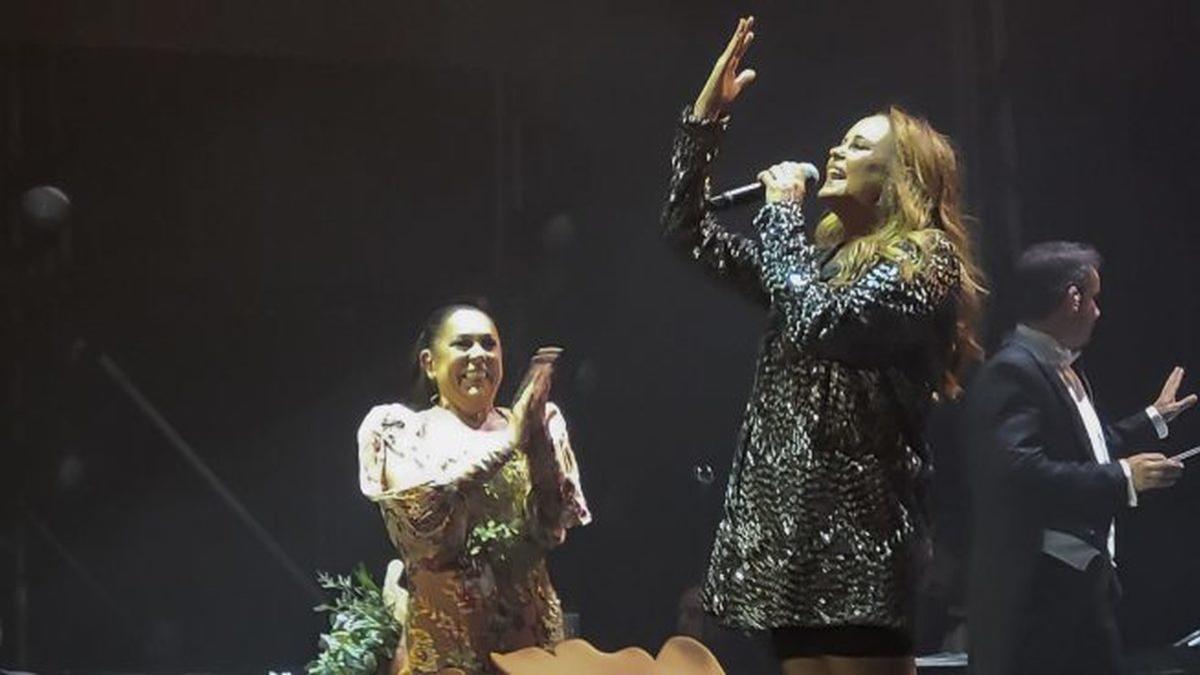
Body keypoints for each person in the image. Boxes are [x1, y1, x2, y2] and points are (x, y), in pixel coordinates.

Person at [661, 16, 985, 675]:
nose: (835, 151)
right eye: (840, 139)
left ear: (901, 175)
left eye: (859, 145)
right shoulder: (812, 265)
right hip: (792, 539)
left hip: (860, 540)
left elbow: (823, 323)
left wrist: (780, 212)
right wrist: (706, 120)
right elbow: (685, 231)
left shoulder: (926, 259)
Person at [964, 242, 1195, 675]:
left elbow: (1090, 445)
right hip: (1039, 594)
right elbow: (1018, 474)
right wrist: (1124, 477)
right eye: (1093, 298)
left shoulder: (1060, 367)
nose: (1097, 312)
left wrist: (1152, 418)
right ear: (1072, 299)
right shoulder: (1012, 371)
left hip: (1084, 586)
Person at [357, 303, 590, 674]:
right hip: (447, 647)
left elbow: (551, 525)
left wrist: (537, 440)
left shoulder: (536, 424)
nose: (478, 355)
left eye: (488, 344)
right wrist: (509, 442)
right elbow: (425, 527)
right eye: (463, 344)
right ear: (430, 363)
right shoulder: (401, 432)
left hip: (530, 645)